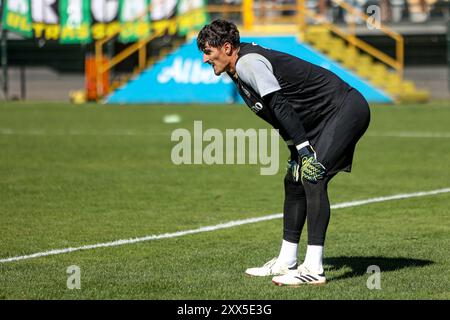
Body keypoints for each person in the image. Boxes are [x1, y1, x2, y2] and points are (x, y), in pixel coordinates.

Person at [197, 19, 370, 286]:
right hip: (320, 120)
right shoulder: (237, 68)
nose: (205, 59)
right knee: (294, 181)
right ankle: (286, 261)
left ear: (227, 47)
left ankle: (313, 268)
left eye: (208, 52)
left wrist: (304, 150)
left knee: (313, 176)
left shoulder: (247, 63)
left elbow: (279, 105)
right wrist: (295, 151)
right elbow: (278, 115)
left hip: (345, 109)